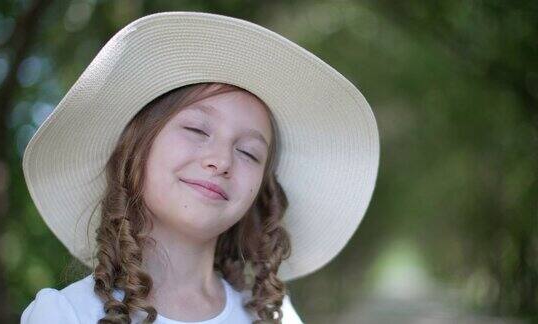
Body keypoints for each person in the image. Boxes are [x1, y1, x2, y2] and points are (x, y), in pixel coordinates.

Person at [20, 11, 379, 324]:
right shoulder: (67, 315)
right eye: (196, 130)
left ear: (261, 193)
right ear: (135, 149)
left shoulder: (273, 316)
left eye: (249, 153)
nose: (221, 161)